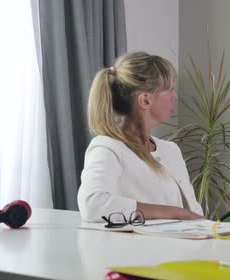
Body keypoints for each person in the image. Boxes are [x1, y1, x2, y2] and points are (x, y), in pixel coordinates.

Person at [78, 51, 204, 224]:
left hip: (185, 248)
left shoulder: (171, 150)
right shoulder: (107, 148)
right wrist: (175, 213)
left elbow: (194, 212)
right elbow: (93, 205)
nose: (175, 96)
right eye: (169, 89)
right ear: (145, 100)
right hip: (141, 250)